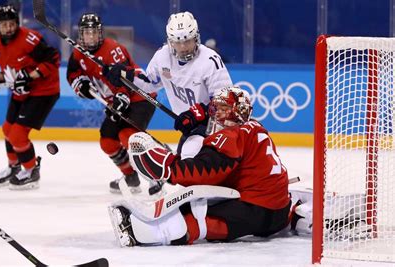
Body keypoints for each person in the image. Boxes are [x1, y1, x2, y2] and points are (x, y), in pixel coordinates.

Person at [109, 86, 301, 246]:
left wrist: (170, 168)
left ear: (238, 112)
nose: (216, 114)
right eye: (215, 108)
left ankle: (141, 233)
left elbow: (206, 171)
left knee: (193, 215)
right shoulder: (257, 127)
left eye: (223, 108)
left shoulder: (232, 135)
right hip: (280, 212)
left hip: (257, 210)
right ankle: (297, 217)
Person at [104, 11, 233, 159]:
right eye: (178, 42)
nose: (183, 47)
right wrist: (127, 76)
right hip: (190, 127)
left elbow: (227, 101)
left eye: (188, 41)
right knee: (183, 165)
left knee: (189, 158)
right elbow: (149, 84)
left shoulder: (210, 60)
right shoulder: (163, 57)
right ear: (170, 41)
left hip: (212, 126)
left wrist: (198, 113)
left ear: (196, 38)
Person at [66, 13, 156, 194]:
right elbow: (72, 74)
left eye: (93, 33)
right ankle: (131, 177)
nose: (90, 37)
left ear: (100, 33)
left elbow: (125, 80)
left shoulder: (114, 49)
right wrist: (81, 86)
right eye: (86, 33)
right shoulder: (78, 53)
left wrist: (121, 98)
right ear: (81, 36)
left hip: (140, 97)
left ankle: (154, 177)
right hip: (115, 102)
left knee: (128, 136)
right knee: (107, 141)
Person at [0, 4, 60, 190]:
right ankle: (14, 166)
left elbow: (53, 59)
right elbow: (9, 72)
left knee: (18, 135)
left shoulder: (29, 39)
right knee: (7, 129)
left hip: (43, 92)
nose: (9, 28)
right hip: (21, 92)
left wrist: (29, 77)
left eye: (12, 24)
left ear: (18, 23)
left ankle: (31, 171)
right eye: (4, 25)